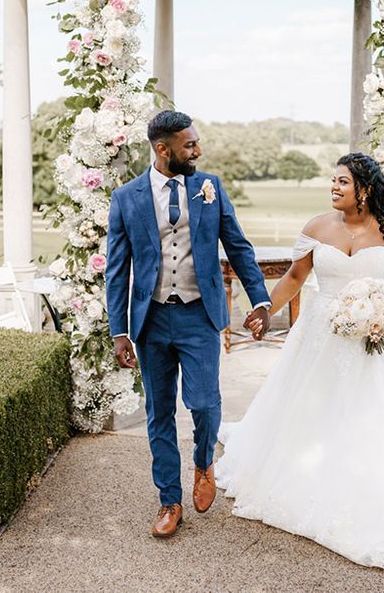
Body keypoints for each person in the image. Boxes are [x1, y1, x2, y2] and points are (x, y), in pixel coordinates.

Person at [220, 152, 384, 572]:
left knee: (369, 415)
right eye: (333, 180)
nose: (334, 187)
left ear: (364, 190)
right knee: (311, 407)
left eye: (343, 182)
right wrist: (265, 310)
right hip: (318, 338)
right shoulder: (316, 227)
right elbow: (294, 278)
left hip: (372, 341)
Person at [106, 109, 271, 538]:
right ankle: (168, 501)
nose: (197, 150)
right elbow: (117, 270)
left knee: (203, 403)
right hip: (151, 320)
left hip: (200, 316)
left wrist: (261, 300)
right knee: (159, 413)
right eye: (189, 145)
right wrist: (119, 330)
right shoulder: (127, 198)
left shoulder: (209, 187)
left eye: (196, 143)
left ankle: (203, 462)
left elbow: (238, 247)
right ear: (163, 150)